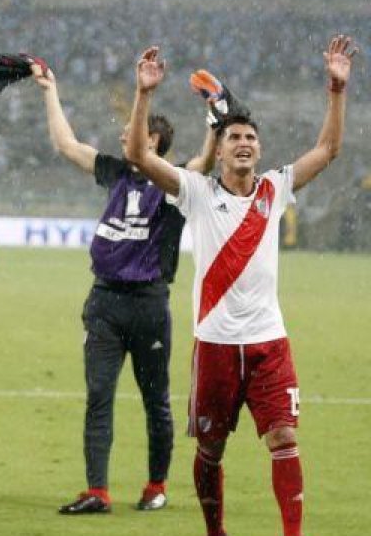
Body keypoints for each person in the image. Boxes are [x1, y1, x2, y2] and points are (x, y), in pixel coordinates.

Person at [124, 37, 356, 536]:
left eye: (251, 136)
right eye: (234, 137)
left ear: (260, 148)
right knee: (211, 449)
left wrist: (337, 90)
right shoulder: (197, 192)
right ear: (221, 148)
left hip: (270, 343)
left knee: (284, 437)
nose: (244, 142)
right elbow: (139, 155)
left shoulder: (275, 188)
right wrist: (144, 94)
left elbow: (328, 149)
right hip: (216, 346)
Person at [31, 61, 217, 515]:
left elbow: (206, 162)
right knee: (98, 396)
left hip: (148, 304)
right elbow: (67, 145)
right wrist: (50, 91)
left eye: (134, 131)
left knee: (156, 401)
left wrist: (215, 119)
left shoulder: (175, 184)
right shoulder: (115, 172)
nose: (122, 136)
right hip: (104, 303)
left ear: (153, 141)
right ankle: (98, 491)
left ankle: (156, 485)